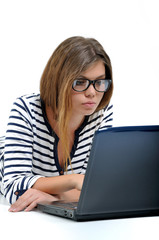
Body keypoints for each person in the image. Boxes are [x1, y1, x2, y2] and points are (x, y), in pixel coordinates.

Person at [0, 36, 113, 212]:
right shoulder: (26, 109)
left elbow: (101, 188)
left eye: (99, 82)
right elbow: (14, 188)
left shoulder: (101, 113)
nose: (92, 92)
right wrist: (73, 181)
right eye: (80, 82)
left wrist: (53, 197)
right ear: (59, 81)